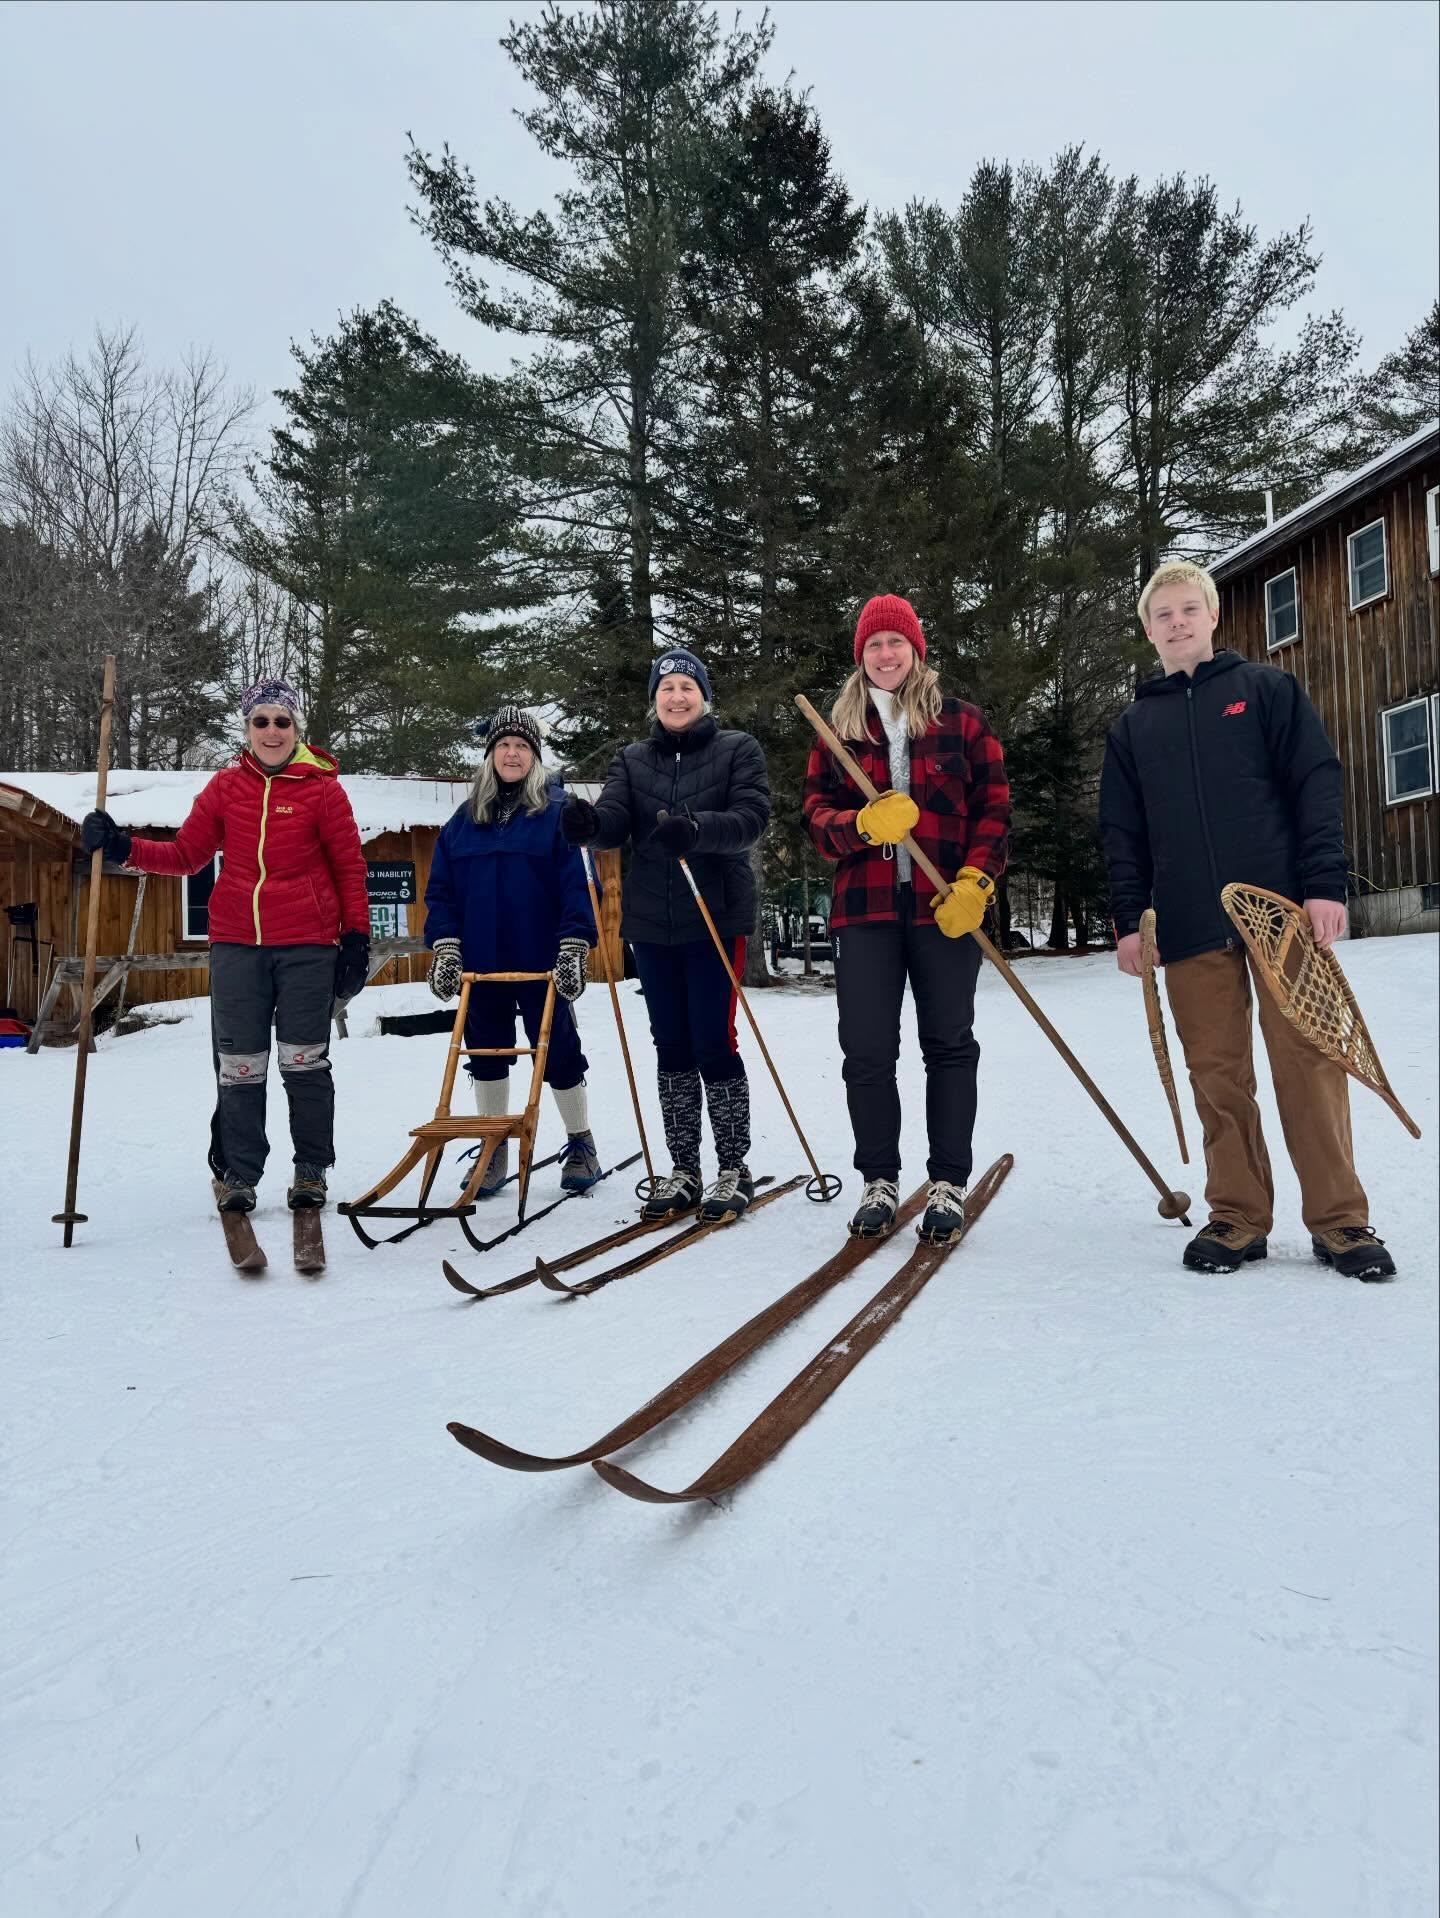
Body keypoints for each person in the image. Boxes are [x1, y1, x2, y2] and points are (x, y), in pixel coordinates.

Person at [1098, 560, 1394, 1280]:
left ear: (1212, 616)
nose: (1177, 623)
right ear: (1148, 631)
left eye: (1188, 609)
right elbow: (1122, 831)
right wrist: (1130, 920)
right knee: (1216, 1072)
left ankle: (1340, 1220)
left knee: (1309, 1060)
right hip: (1188, 921)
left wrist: (1324, 885)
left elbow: (1315, 783)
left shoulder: (1265, 691)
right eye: (1163, 614)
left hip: (1280, 913)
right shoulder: (1134, 727)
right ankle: (1236, 1215)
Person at [81, 678, 371, 1215]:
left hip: (308, 946)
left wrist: (356, 938)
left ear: (296, 729)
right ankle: (239, 1173)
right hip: (237, 945)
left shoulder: (323, 790)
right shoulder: (226, 787)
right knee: (240, 1065)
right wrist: (122, 846)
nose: (271, 731)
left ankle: (311, 1169)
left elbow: (350, 868)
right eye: (261, 721)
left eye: (282, 721)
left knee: (304, 1062)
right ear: (247, 729)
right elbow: (186, 855)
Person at [802, 594, 1010, 1244]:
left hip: (943, 911)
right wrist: (860, 825)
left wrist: (976, 881)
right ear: (860, 656)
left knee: (949, 1046)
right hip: (864, 913)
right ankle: (879, 1181)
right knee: (866, 1052)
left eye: (896, 642)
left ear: (916, 650)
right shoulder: (839, 731)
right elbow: (815, 819)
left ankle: (947, 1182)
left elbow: (995, 809)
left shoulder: (963, 722)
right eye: (874, 645)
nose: (886, 654)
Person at [560, 649, 770, 1225]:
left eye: (686, 686)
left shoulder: (737, 749)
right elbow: (614, 817)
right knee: (670, 1044)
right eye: (666, 688)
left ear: (704, 696)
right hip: (652, 922)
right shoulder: (632, 759)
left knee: (713, 1040)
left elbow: (752, 818)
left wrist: (697, 830)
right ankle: (684, 1168)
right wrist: (590, 825)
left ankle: (733, 1167)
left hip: (714, 915)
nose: (677, 697)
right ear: (654, 700)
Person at [424, 705, 601, 1197]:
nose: (512, 753)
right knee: (485, 1052)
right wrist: (446, 946)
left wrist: (574, 944)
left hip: (541, 960)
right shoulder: (464, 821)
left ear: (535, 757)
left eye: (522, 746)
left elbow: (579, 884)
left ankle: (580, 1142)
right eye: (503, 745)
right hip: (481, 964)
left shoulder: (558, 813)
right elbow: (441, 892)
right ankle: (494, 1144)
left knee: (559, 1051)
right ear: (490, 755)